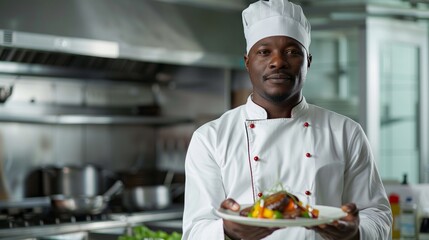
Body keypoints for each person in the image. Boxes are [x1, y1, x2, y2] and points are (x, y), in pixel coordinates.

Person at [182, 0, 392, 239]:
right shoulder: (210, 138)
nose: (278, 61)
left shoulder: (345, 132)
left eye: (292, 52)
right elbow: (195, 230)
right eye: (264, 52)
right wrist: (226, 232)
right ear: (247, 62)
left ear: (308, 62)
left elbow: (378, 215)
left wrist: (356, 232)